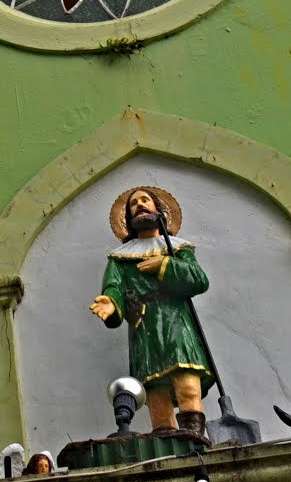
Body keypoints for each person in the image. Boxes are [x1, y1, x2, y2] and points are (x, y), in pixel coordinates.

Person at [86, 186, 214, 439]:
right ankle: (167, 441)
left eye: (145, 200)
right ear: (128, 217)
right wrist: (111, 302)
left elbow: (199, 279)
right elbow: (114, 286)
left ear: (159, 209)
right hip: (144, 325)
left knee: (188, 386)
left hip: (177, 320)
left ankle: (194, 439)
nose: (140, 205)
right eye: (134, 204)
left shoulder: (178, 248)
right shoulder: (120, 258)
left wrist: (165, 264)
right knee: (157, 394)